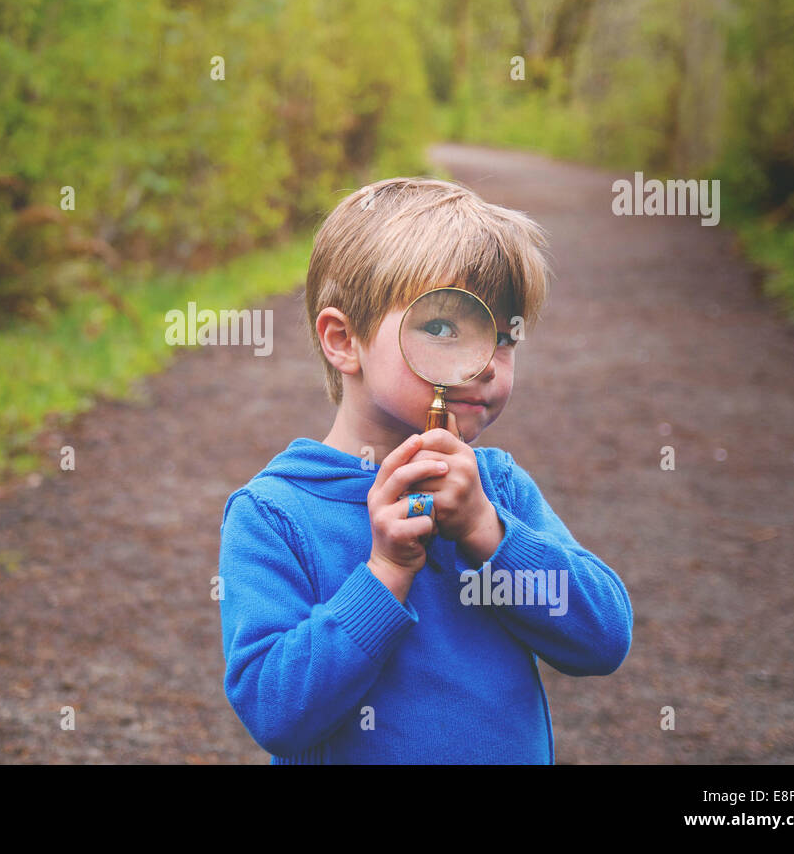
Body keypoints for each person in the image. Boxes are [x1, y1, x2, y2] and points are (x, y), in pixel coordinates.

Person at [218, 177, 633, 763]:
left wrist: (488, 533)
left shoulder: (498, 491)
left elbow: (604, 638)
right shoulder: (276, 515)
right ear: (344, 340)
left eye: (504, 336)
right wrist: (385, 574)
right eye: (442, 327)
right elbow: (274, 710)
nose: (485, 363)